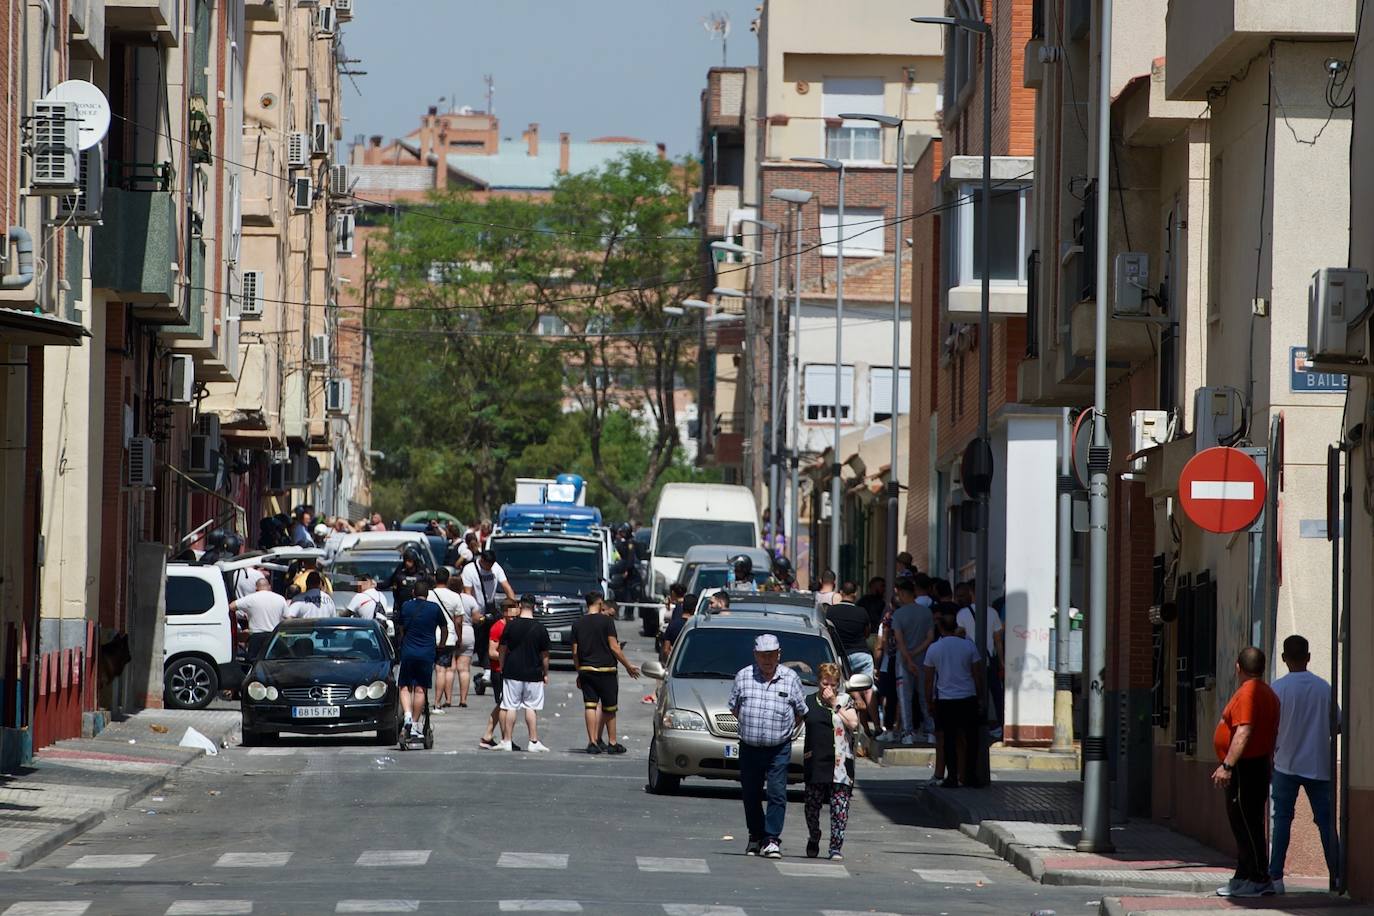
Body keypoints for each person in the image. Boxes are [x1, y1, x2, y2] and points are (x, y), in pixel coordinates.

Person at [1268, 635, 1340, 893]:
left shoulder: (1277, 689)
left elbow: (1269, 729)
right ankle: (1338, 875)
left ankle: (1276, 877)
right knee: (1326, 822)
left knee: (1282, 820)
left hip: (1285, 764)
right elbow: (1338, 725)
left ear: (1284, 658)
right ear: (1308, 657)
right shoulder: (1324, 688)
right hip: (1319, 765)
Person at [728, 633, 808, 859]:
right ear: (755, 655)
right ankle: (755, 835)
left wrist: (784, 731)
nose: (767, 660)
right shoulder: (743, 676)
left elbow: (801, 712)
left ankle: (772, 838)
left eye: (771, 655)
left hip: (778, 748)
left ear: (778, 654)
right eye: (763, 655)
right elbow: (734, 708)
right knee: (751, 794)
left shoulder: (790, 678)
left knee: (776, 793)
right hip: (750, 746)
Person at [1212, 646, 1281, 898]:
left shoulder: (1248, 694)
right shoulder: (1269, 693)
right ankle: (1243, 875)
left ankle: (1260, 878)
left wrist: (1227, 765)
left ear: (1238, 667)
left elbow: (1244, 731)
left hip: (1246, 766)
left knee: (1248, 823)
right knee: (1242, 821)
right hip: (1257, 763)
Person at [803, 662, 859, 861]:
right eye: (825, 683)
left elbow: (853, 723)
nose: (829, 688)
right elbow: (795, 723)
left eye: (833, 684)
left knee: (839, 807)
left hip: (840, 763)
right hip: (816, 760)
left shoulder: (845, 700)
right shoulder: (809, 701)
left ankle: (835, 847)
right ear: (818, 682)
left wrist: (835, 702)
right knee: (812, 805)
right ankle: (814, 834)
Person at [923, 609, 985, 787]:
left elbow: (928, 679)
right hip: (968, 697)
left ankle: (951, 777)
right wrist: (980, 697)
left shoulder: (934, 648)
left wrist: (929, 701)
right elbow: (977, 674)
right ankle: (970, 775)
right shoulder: (968, 646)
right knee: (971, 739)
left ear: (940, 628)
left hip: (945, 700)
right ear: (956, 627)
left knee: (948, 739)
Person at [571, 594, 640, 754]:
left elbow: (575, 652)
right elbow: (614, 648)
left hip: (586, 669)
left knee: (590, 705)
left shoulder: (577, 623)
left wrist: (579, 670)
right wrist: (628, 666)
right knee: (610, 708)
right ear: (600, 603)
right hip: (606, 670)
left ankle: (592, 742)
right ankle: (612, 742)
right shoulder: (607, 621)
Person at [494, 594, 551, 753]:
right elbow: (545, 655)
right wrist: (545, 673)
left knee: (510, 706)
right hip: (533, 672)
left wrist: (502, 666)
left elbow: (502, 649)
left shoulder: (511, 626)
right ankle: (533, 741)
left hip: (512, 670)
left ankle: (507, 740)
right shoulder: (540, 628)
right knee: (531, 707)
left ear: (520, 605)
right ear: (534, 606)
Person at [395, 579, 448, 742]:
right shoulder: (434, 608)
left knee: (404, 686)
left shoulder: (406, 606)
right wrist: (442, 644)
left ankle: (408, 717)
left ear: (413, 593)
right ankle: (416, 726)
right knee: (420, 689)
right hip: (426, 653)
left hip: (409, 652)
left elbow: (401, 628)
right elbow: (445, 628)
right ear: (428, 594)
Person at [889, 576, 935, 745]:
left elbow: (899, 641)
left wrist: (908, 659)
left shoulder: (898, 614)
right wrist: (916, 653)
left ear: (901, 593)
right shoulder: (926, 612)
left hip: (903, 663)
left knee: (905, 698)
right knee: (925, 697)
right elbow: (930, 638)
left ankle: (908, 733)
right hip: (924, 661)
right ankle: (930, 731)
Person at [825, 582, 875, 736]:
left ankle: (857, 699)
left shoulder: (831, 611)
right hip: (862, 654)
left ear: (841, 593)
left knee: (847, 686)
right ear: (855, 594)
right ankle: (876, 724)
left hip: (840, 655)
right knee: (869, 688)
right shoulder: (862, 612)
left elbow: (827, 630)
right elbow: (867, 633)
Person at [478, 599, 520, 750]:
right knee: (504, 705)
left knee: (502, 704)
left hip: (508, 671)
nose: (513, 617)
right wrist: (509, 656)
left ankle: (488, 736)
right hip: (498, 671)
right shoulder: (498, 628)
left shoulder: (512, 627)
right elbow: (492, 652)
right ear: (504, 612)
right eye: (511, 614)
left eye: (515, 613)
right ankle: (505, 738)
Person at [430, 568, 466, 711]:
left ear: (434, 578)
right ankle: (438, 702)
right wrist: (459, 637)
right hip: (449, 637)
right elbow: (458, 621)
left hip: (430, 636)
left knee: (430, 670)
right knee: (442, 670)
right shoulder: (455, 596)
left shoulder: (429, 595)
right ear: (448, 579)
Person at [230, 578, 287, 660]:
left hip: (256, 637)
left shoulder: (251, 598)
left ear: (256, 588)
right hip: (274, 636)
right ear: (269, 587)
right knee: (274, 661)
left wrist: (246, 613)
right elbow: (287, 617)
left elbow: (231, 606)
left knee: (255, 663)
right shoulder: (280, 598)